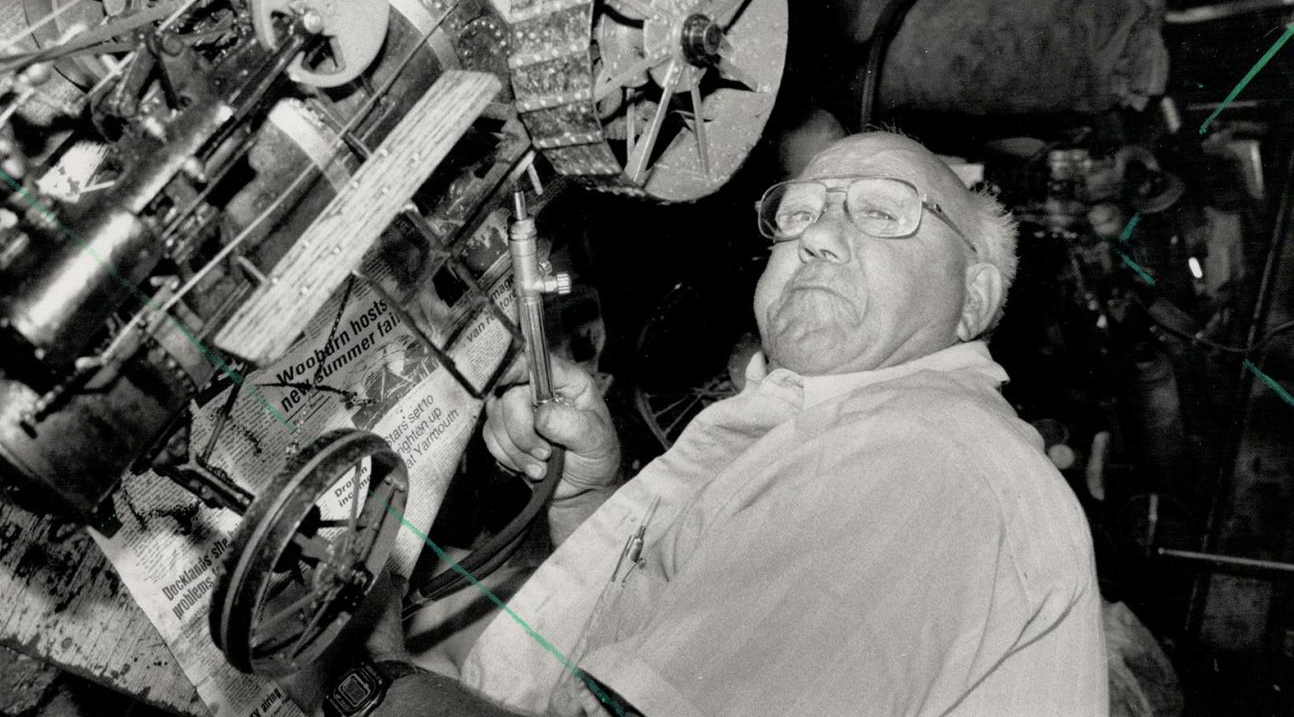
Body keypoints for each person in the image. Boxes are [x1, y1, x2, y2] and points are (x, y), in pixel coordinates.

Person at [319, 131, 1107, 716]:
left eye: (883, 212)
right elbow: (667, 631)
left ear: (972, 298)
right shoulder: (852, 428)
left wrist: (358, 666)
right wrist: (584, 497)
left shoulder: (922, 461)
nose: (821, 236)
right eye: (799, 212)